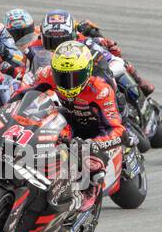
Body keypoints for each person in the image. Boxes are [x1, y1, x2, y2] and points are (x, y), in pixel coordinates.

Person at [23, 40, 126, 207]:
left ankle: (90, 189)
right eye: (62, 76)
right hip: (67, 122)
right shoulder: (46, 74)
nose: (68, 83)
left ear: (86, 72)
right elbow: (22, 96)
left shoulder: (99, 89)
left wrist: (93, 144)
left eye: (75, 77)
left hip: (95, 129)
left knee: (89, 153)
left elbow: (118, 131)